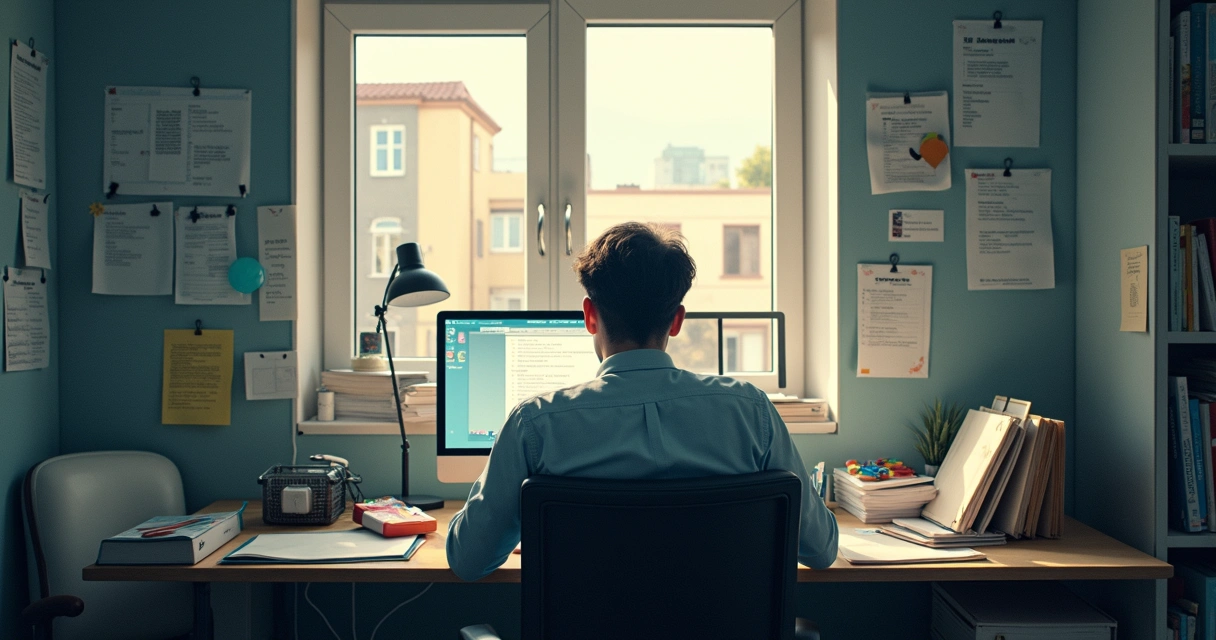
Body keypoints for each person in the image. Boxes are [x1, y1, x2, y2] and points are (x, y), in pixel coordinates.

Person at [446, 222, 838, 581]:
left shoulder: (535, 424)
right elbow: (821, 550)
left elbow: (468, 561)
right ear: (677, 320)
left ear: (589, 316)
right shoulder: (751, 412)